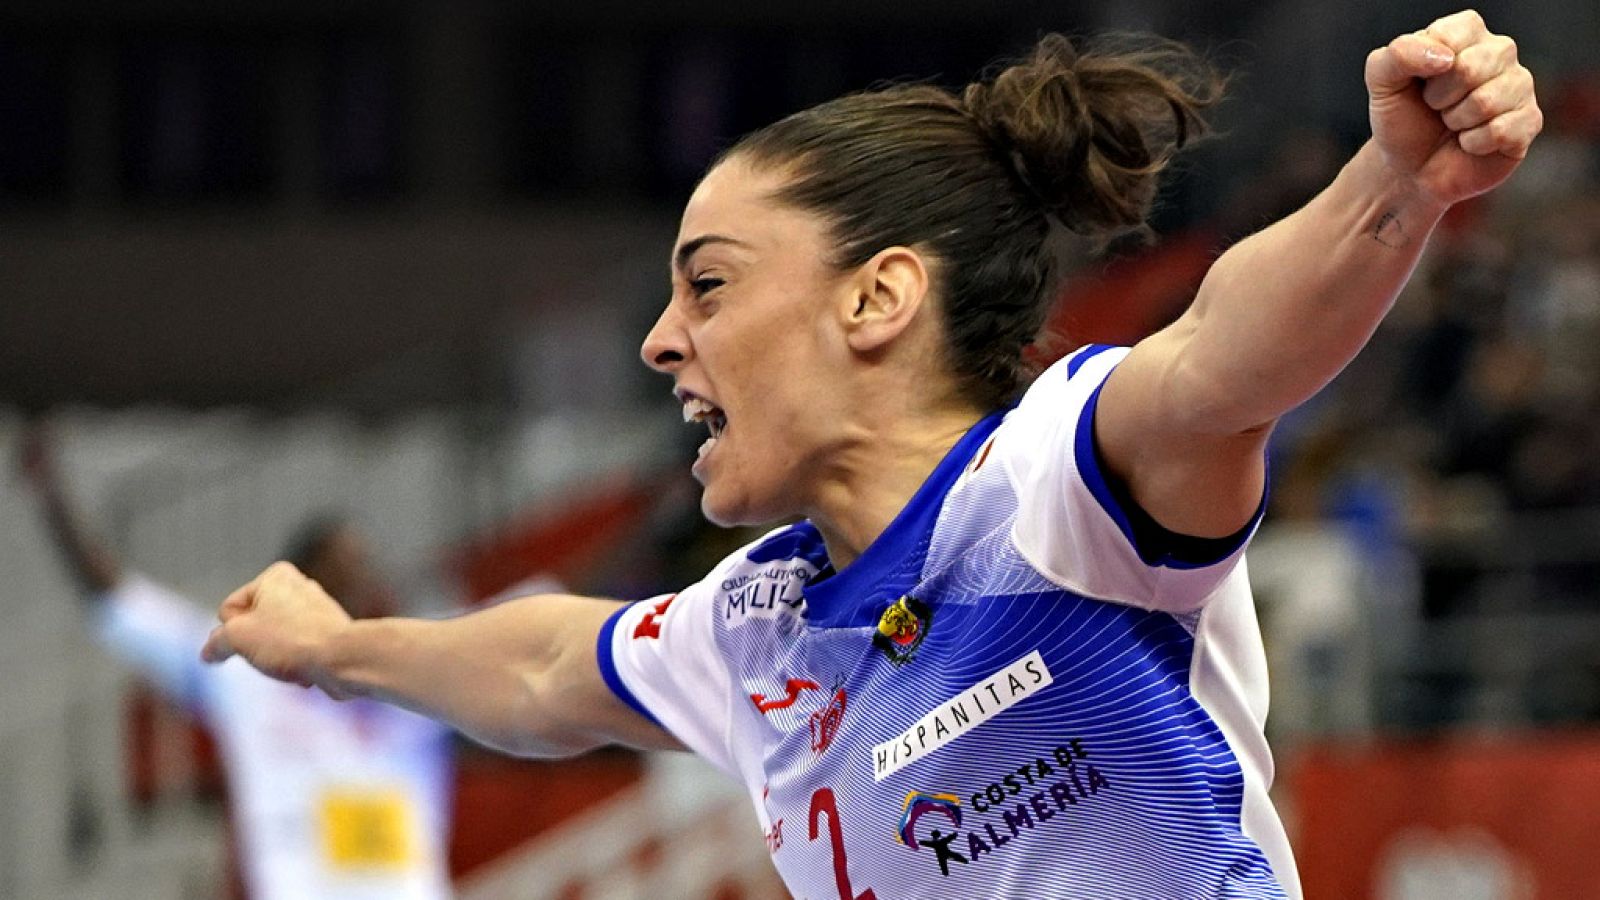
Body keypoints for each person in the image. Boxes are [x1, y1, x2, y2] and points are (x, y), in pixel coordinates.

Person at [200, 11, 1542, 899]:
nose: (661, 342)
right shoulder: (755, 627)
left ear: (878, 298)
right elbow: (548, 665)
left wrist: (1396, 180)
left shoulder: (1053, 490)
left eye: (709, 285)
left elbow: (1221, 357)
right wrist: (333, 650)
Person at [21, 431, 457, 900]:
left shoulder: (412, 678)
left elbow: (517, 646)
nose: (360, 581)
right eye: (344, 567)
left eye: (364, 566)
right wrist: (52, 498)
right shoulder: (245, 670)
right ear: (301, 582)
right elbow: (119, 601)